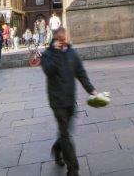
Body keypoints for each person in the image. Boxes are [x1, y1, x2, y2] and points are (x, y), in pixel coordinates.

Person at [40, 27, 98, 176]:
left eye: (65, 39)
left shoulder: (72, 53)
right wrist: (57, 53)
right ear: (55, 39)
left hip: (70, 100)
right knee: (66, 135)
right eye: (60, 40)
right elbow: (49, 71)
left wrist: (91, 90)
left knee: (65, 133)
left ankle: (57, 148)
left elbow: (80, 73)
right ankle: (73, 169)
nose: (63, 42)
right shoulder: (47, 55)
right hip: (57, 101)